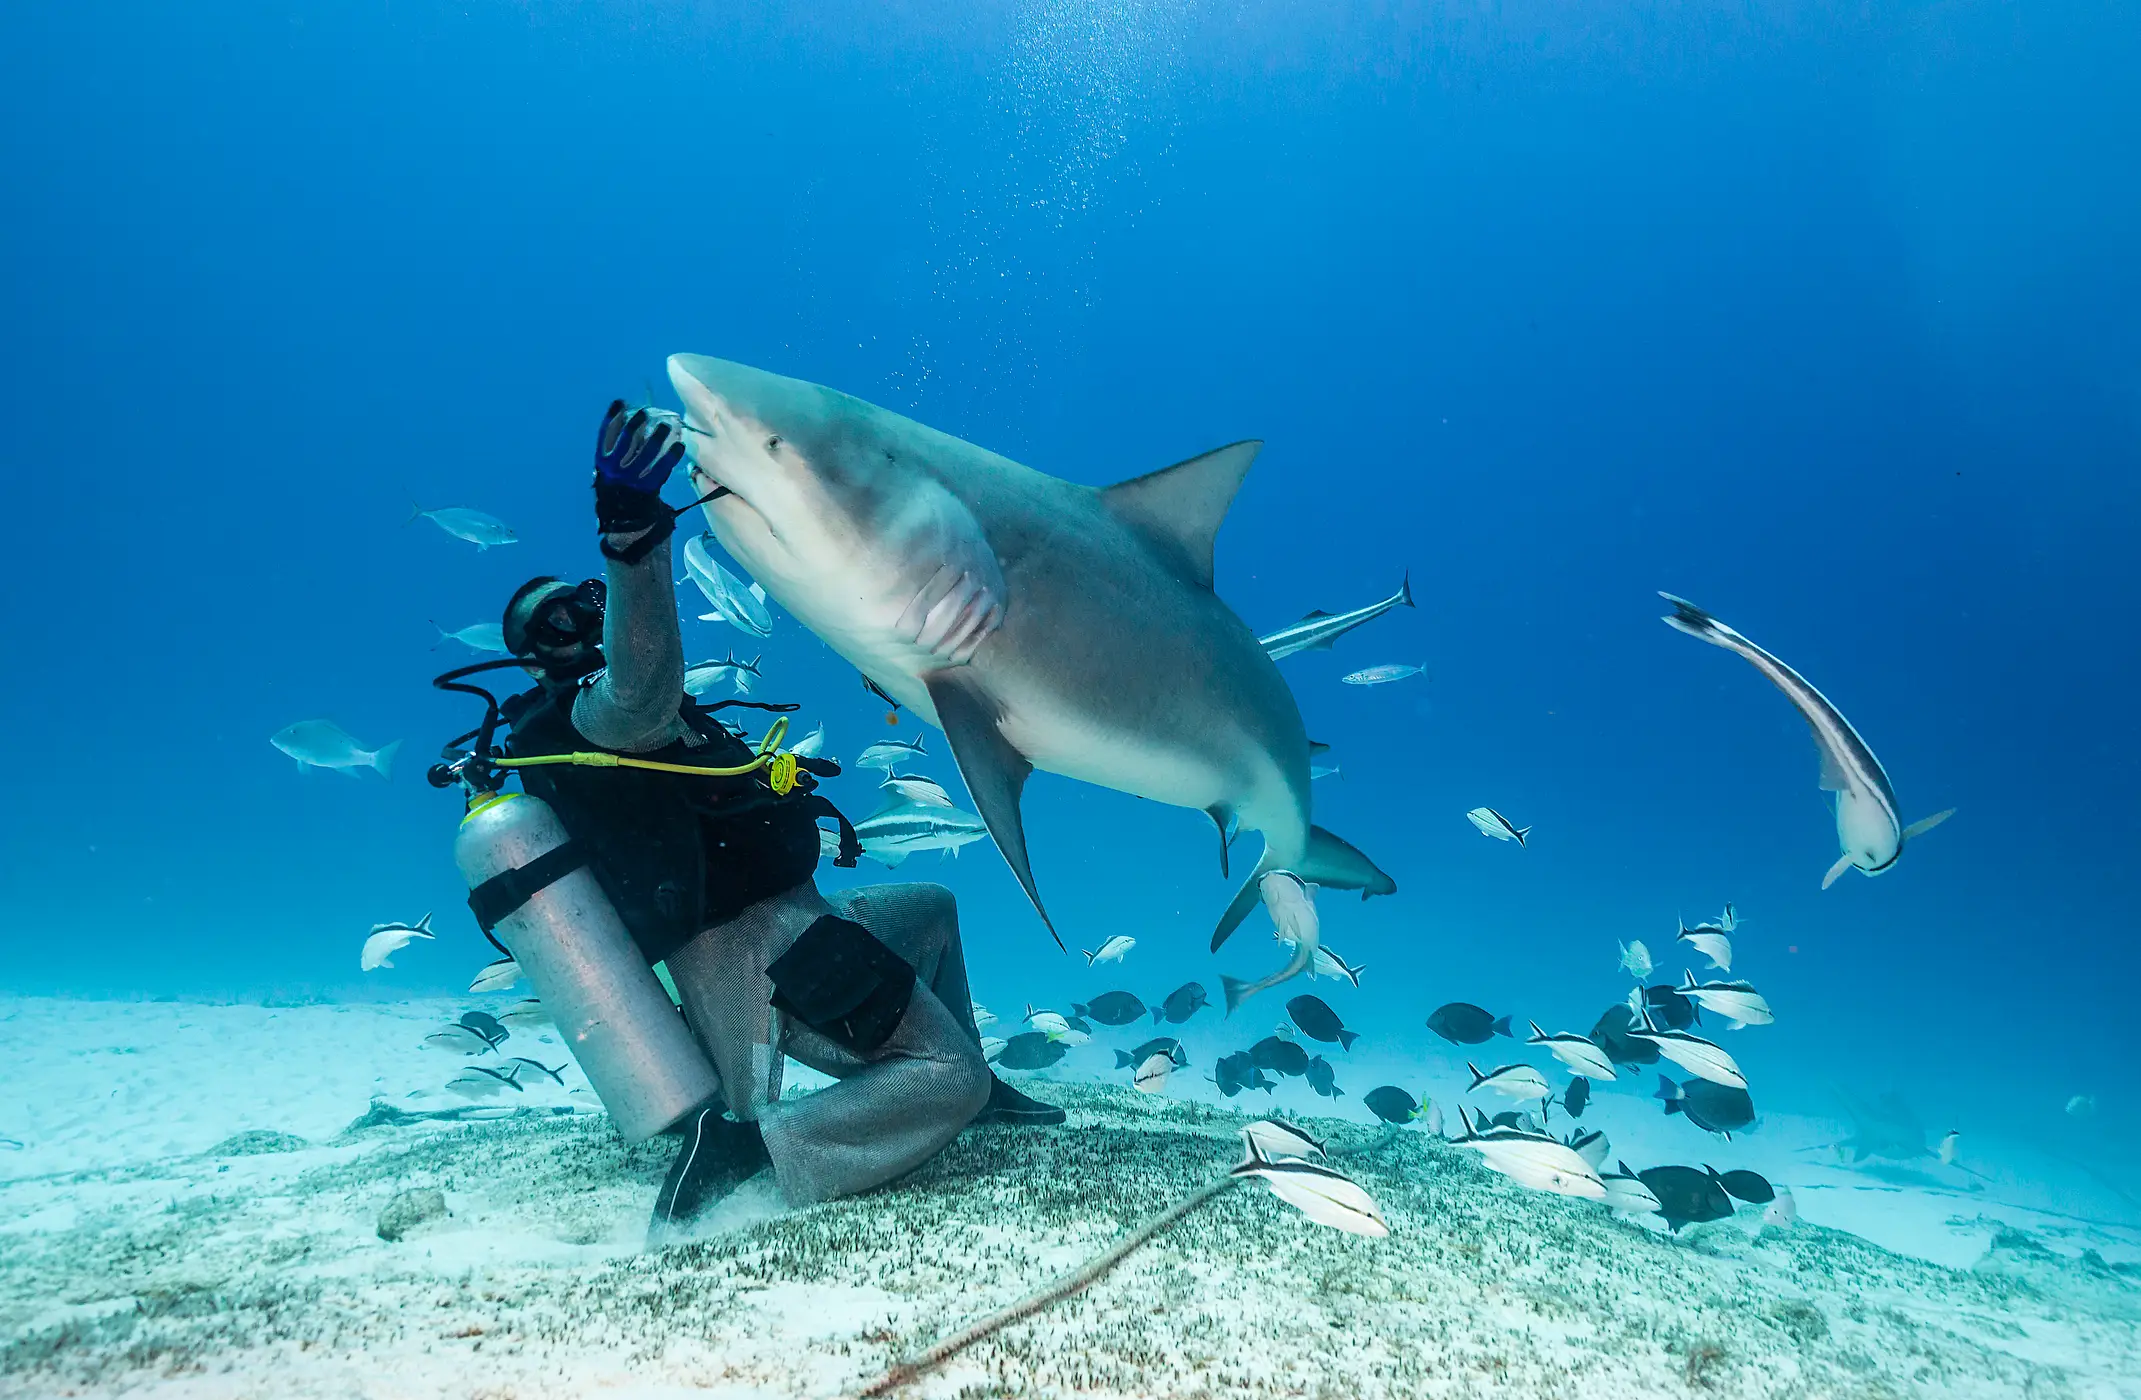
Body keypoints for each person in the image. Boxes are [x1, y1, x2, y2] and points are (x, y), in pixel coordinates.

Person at [496, 402, 1062, 1248]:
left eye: (583, 602)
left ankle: (981, 1088)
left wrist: (779, 779)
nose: (582, 619)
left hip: (799, 911)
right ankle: (758, 1144)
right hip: (745, 950)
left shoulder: (633, 732)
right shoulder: (593, 721)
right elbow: (641, 686)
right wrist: (630, 543)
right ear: (538, 659)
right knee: (942, 1077)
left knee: (933, 903)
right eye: (560, 621)